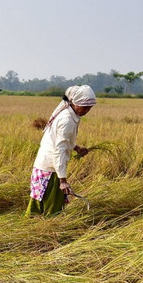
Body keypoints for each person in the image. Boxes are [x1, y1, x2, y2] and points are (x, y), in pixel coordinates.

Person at [26, 85, 96, 216]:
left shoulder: (69, 113)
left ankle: (31, 225)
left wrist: (76, 148)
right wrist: (62, 181)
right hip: (51, 170)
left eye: (89, 107)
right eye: (84, 107)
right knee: (51, 208)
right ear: (74, 102)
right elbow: (59, 150)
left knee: (39, 204)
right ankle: (47, 227)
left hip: (45, 166)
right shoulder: (67, 120)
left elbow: (61, 140)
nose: (87, 110)